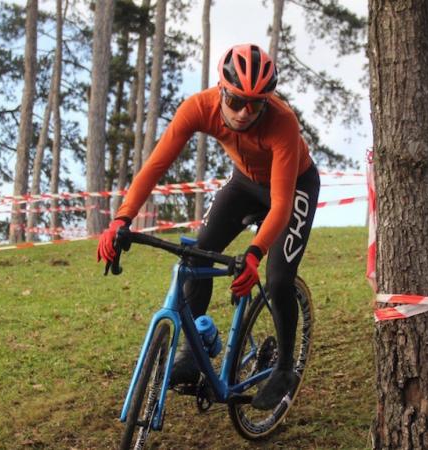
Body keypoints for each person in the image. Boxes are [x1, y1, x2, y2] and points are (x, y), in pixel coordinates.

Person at [97, 44, 320, 410]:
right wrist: (122, 219)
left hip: (294, 186)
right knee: (197, 256)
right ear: (221, 90)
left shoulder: (282, 122)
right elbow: (155, 166)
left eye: (257, 103)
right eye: (236, 101)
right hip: (244, 184)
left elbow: (281, 205)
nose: (246, 112)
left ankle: (283, 369)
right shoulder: (199, 107)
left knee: (278, 278)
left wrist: (254, 254)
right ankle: (191, 353)